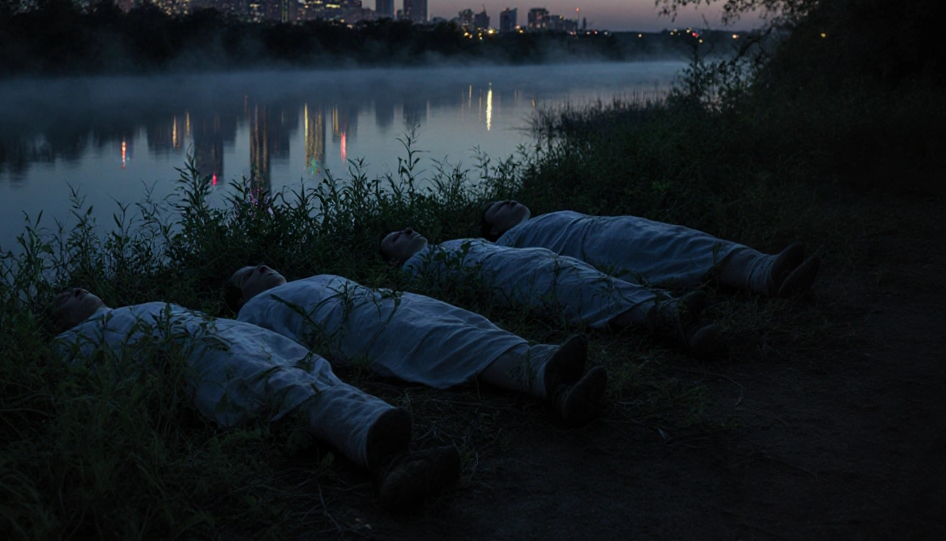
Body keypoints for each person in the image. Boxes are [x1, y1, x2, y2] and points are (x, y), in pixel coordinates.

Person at [49, 288, 460, 509]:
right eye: (64, 297)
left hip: (234, 340)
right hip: (206, 358)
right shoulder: (75, 340)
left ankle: (387, 446)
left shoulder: (135, 306)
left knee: (308, 375)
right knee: (285, 388)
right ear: (60, 322)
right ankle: (386, 459)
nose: (75, 290)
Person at [224, 266, 608, 424]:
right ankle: (548, 383)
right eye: (249, 274)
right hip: (352, 322)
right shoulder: (251, 314)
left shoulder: (311, 277)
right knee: (443, 343)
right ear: (241, 298)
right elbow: (276, 347)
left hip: (386, 300)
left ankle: (543, 362)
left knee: (464, 323)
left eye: (261, 264)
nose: (261, 268)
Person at [379, 228, 721, 359]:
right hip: (514, 277)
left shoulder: (447, 243)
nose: (406, 231)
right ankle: (663, 317)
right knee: (579, 292)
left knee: (586, 277)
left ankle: (665, 305)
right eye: (395, 238)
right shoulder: (415, 269)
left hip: (527, 261)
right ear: (396, 261)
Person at [481, 200, 821, 298]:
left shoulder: (540, 218)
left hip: (607, 226)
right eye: (496, 206)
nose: (505, 200)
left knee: (681, 237)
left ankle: (764, 266)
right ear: (496, 229)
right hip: (593, 245)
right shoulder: (509, 242)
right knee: (671, 249)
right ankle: (763, 276)